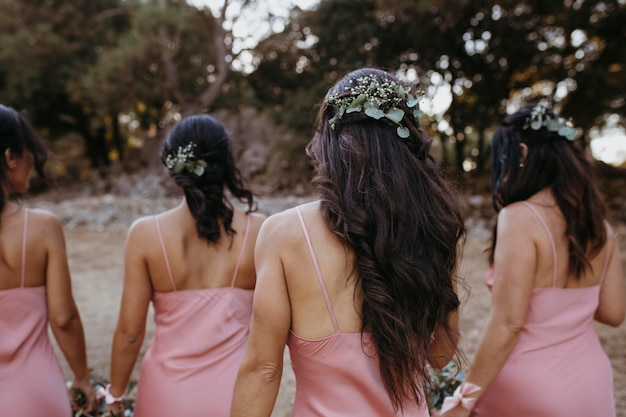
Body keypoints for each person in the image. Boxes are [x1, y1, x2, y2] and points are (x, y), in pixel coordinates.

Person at [231, 68, 466, 416]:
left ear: (329, 141)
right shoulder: (434, 227)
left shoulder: (283, 233)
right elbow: (441, 355)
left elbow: (264, 370)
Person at [439, 104, 626, 417]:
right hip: (592, 384)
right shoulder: (600, 227)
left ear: (522, 152)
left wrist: (463, 400)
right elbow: (613, 312)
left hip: (530, 389)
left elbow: (508, 323)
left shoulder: (520, 218)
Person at [103, 114, 265, 417]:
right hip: (235, 398)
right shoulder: (259, 231)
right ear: (226, 162)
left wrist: (115, 395)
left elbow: (129, 332)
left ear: (173, 166)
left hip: (165, 396)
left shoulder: (145, 234)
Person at [0, 104, 98, 415]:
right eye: (29, 149)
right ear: (10, 157)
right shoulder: (43, 228)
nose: (34, 159)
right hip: (36, 394)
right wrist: (82, 378)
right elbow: (63, 318)